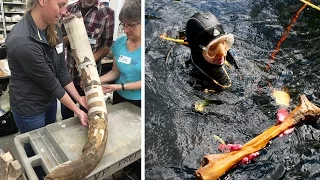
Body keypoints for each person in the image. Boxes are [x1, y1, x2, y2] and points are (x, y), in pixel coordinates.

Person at [5, 0, 88, 179]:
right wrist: (76, 110)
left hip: (48, 101)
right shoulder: (22, 42)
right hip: (29, 107)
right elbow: (52, 84)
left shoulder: (54, 27)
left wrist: (79, 98)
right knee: (36, 151)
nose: (65, 11)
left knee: (50, 142)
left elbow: (61, 71)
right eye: (61, 4)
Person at [61, 0, 115, 120]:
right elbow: (59, 43)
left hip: (91, 78)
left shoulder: (107, 13)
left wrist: (87, 63)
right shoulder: (68, 10)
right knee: (66, 115)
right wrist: (73, 33)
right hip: (69, 76)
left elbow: (106, 47)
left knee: (90, 114)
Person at [100, 0, 141, 108]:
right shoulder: (120, 43)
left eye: (131, 25)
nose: (126, 30)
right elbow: (115, 72)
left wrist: (120, 86)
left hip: (139, 100)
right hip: (119, 96)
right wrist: (96, 81)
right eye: (124, 25)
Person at [185, 11, 239, 92]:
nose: (223, 53)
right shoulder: (196, 83)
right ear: (199, 51)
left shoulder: (229, 58)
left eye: (223, 42)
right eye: (213, 48)